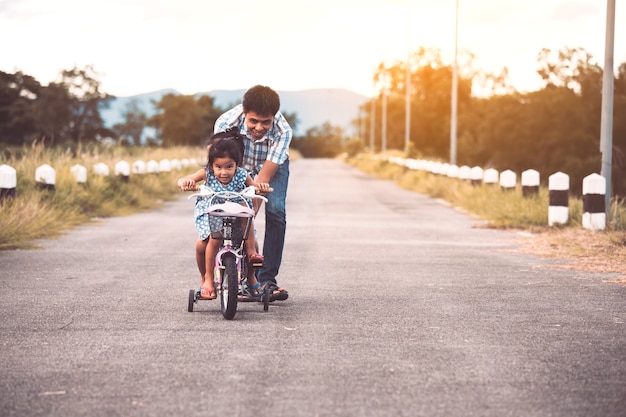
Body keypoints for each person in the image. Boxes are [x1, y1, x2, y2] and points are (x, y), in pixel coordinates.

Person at [213, 85, 291, 300]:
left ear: (274, 118)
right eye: (253, 121)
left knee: (275, 211)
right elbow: (220, 162)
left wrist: (248, 215)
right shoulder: (226, 124)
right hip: (236, 166)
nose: (259, 127)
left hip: (271, 167)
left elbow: (262, 182)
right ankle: (234, 275)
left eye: (266, 122)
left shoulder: (283, 132)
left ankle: (266, 280)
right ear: (244, 113)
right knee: (230, 212)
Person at [177, 131, 271, 299]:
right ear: (212, 165)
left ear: (237, 164)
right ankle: (207, 278)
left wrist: (260, 187)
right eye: (219, 167)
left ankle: (250, 269)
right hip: (214, 215)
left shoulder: (242, 174)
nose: (224, 172)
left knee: (254, 241)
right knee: (206, 243)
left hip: (238, 217)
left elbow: (255, 187)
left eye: (229, 166)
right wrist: (186, 182)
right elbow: (186, 179)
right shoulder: (207, 173)